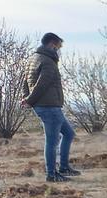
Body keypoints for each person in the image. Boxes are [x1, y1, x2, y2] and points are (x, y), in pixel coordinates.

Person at [21, 32, 78, 182]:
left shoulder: (33, 58)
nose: (59, 50)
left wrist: (26, 98)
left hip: (47, 106)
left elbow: (24, 82)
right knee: (52, 141)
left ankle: (64, 167)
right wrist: (29, 100)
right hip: (49, 106)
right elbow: (42, 84)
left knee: (69, 134)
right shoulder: (47, 61)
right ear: (52, 44)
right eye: (58, 46)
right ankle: (51, 174)